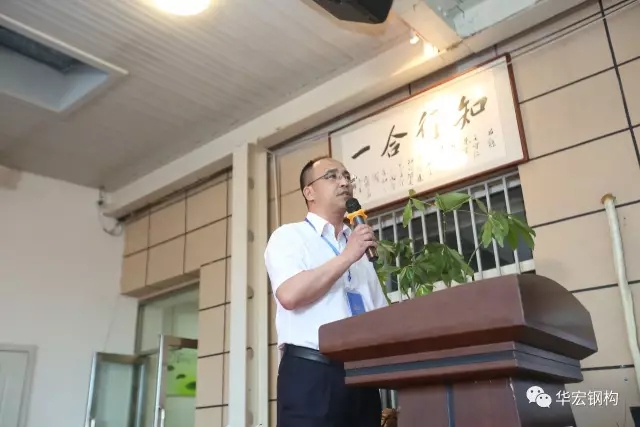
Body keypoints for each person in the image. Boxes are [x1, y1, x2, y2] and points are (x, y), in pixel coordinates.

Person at [264, 156, 388, 427]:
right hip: (312, 375)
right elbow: (290, 295)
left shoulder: (358, 244)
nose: (344, 182)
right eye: (332, 176)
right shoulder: (290, 236)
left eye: (347, 176)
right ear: (309, 192)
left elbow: (379, 313)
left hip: (363, 378)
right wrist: (347, 256)